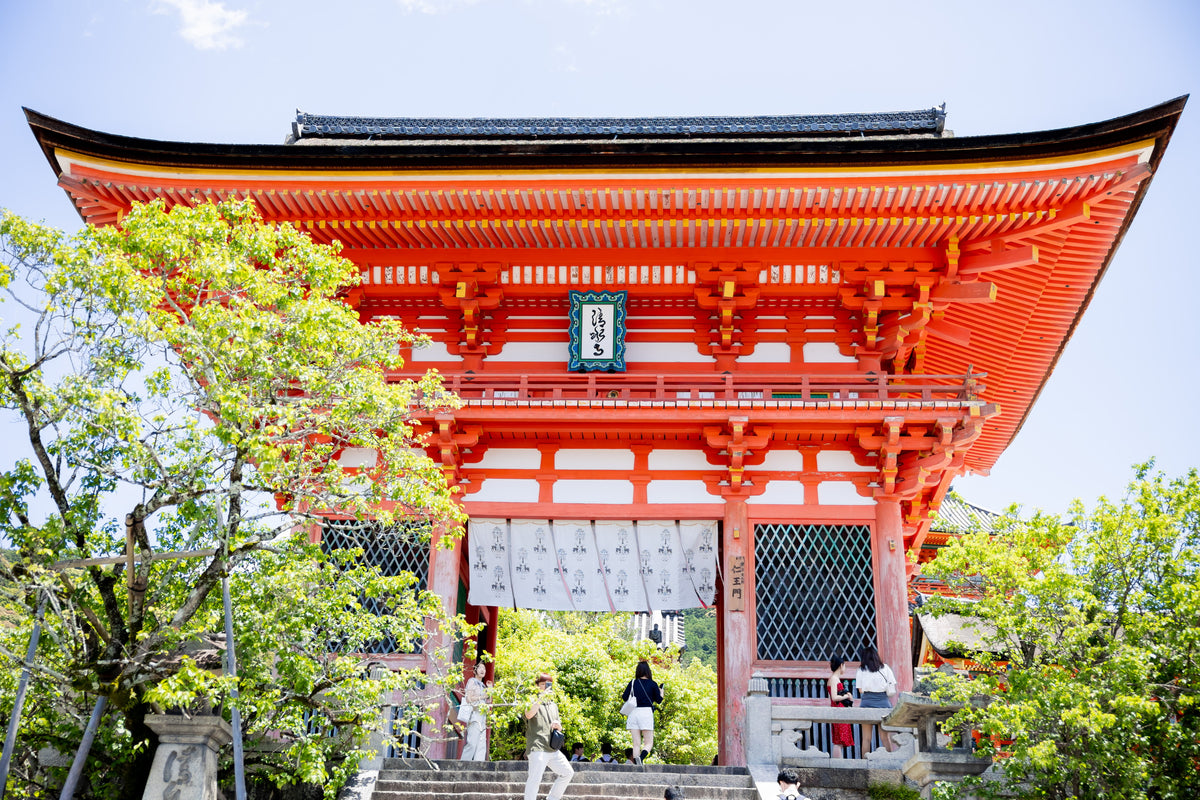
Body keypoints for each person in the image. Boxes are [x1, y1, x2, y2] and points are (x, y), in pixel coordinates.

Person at [524, 673, 573, 800]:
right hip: (537, 747)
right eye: (542, 684)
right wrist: (540, 698)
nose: (546, 687)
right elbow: (529, 714)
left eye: (548, 685)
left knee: (568, 773)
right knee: (534, 780)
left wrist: (558, 725)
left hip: (552, 748)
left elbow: (558, 725)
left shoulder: (553, 705)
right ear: (537, 686)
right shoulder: (531, 700)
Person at [854, 644, 897, 756]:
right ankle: (890, 760)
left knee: (866, 738)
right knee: (884, 737)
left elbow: (860, 690)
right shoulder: (885, 668)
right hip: (883, 703)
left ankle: (865, 763)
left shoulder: (861, 670)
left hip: (867, 702)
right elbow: (892, 684)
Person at [621, 660, 663, 764]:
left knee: (636, 743)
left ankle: (636, 762)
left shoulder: (633, 682)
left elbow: (624, 697)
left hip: (633, 713)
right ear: (648, 671)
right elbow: (659, 700)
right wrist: (661, 692)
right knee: (648, 743)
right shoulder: (653, 684)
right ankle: (640, 759)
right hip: (646, 713)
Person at [458, 661, 492, 761]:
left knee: (481, 743)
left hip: (482, 715)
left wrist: (489, 690)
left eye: (484, 669)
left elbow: (488, 701)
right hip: (474, 713)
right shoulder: (472, 681)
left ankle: (479, 765)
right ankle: (463, 764)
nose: (483, 670)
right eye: (480, 668)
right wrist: (482, 696)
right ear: (475, 670)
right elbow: (468, 698)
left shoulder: (483, 686)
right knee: (472, 742)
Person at [826, 656, 855, 758]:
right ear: (841, 665)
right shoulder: (834, 679)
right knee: (839, 741)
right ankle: (838, 764)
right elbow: (834, 697)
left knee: (839, 741)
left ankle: (838, 763)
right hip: (838, 711)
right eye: (844, 665)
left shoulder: (834, 678)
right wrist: (846, 696)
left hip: (839, 710)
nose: (845, 668)